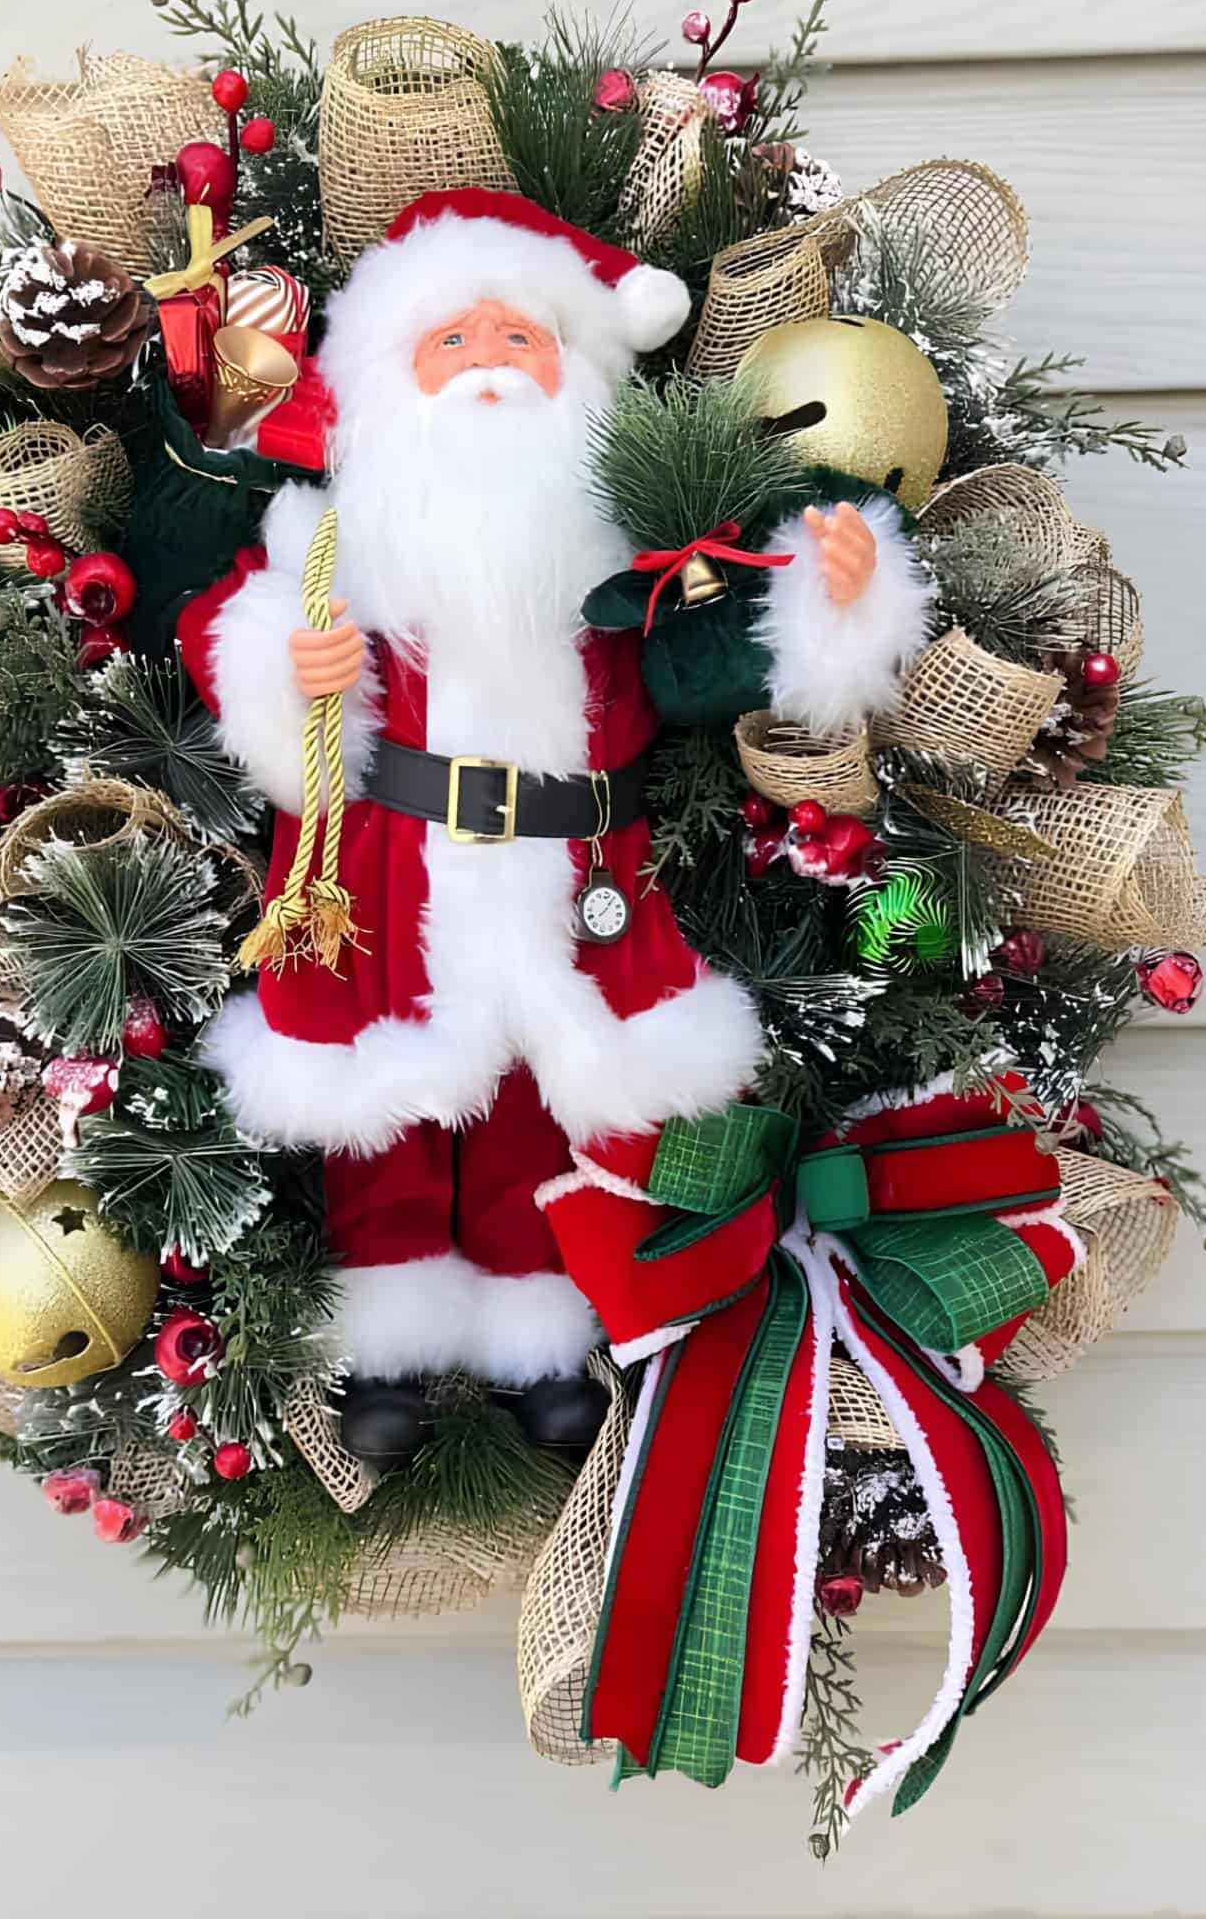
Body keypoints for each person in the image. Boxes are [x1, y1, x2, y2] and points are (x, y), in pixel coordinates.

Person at [178, 191, 933, 1460]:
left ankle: (536, 1335)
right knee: (391, 1110)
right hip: (389, 870)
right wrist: (285, 670)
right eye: (452, 343)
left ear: (577, 375)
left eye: (518, 340)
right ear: (387, 383)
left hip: (575, 866)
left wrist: (825, 603)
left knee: (545, 1098)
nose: (486, 366)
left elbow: (701, 666)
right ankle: (391, 1345)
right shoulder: (336, 539)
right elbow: (230, 632)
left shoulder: (616, 552)